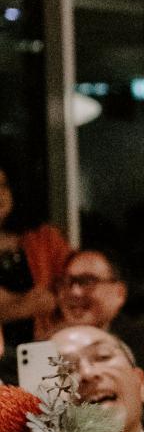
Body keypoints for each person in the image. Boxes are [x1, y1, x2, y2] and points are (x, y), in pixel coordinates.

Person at [54, 245, 144, 427]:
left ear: (120, 293)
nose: (74, 292)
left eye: (87, 281)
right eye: (66, 283)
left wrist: (106, 424)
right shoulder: (49, 348)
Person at [0, 150, 69, 351]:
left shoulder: (43, 239)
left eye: (3, 185)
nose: (0, 194)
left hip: (46, 347)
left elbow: (69, 290)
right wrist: (26, 303)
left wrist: (11, 305)